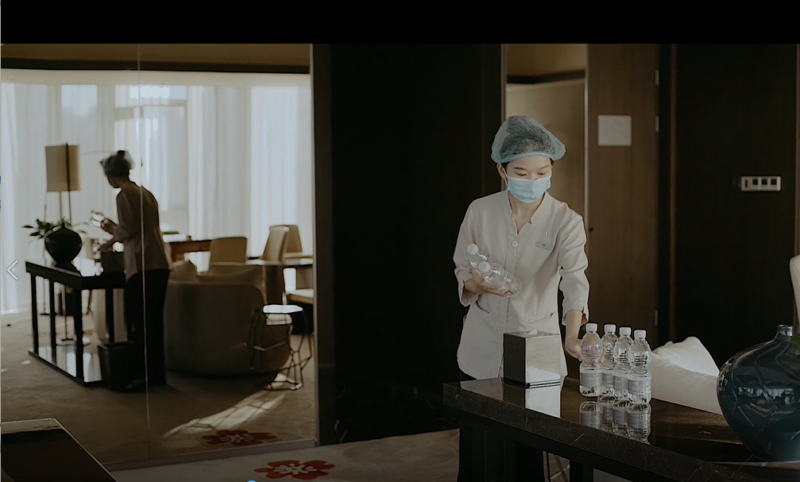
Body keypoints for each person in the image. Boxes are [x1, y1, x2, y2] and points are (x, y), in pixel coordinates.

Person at [453, 116, 590, 480]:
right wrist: (476, 285)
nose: (533, 181)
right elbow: (462, 272)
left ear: (552, 169)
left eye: (541, 171)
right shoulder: (479, 212)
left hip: (536, 352)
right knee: (479, 452)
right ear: (502, 169)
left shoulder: (566, 221)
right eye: (522, 173)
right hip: (481, 348)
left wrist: (572, 336)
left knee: (525, 454)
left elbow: (575, 281)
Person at [99, 150, 172, 390]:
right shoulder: (145, 192)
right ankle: (157, 374)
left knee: (138, 323)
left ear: (111, 174)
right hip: (159, 262)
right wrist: (116, 231)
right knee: (154, 322)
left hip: (142, 265)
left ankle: (141, 376)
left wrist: (110, 235)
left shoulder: (123, 195)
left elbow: (128, 230)